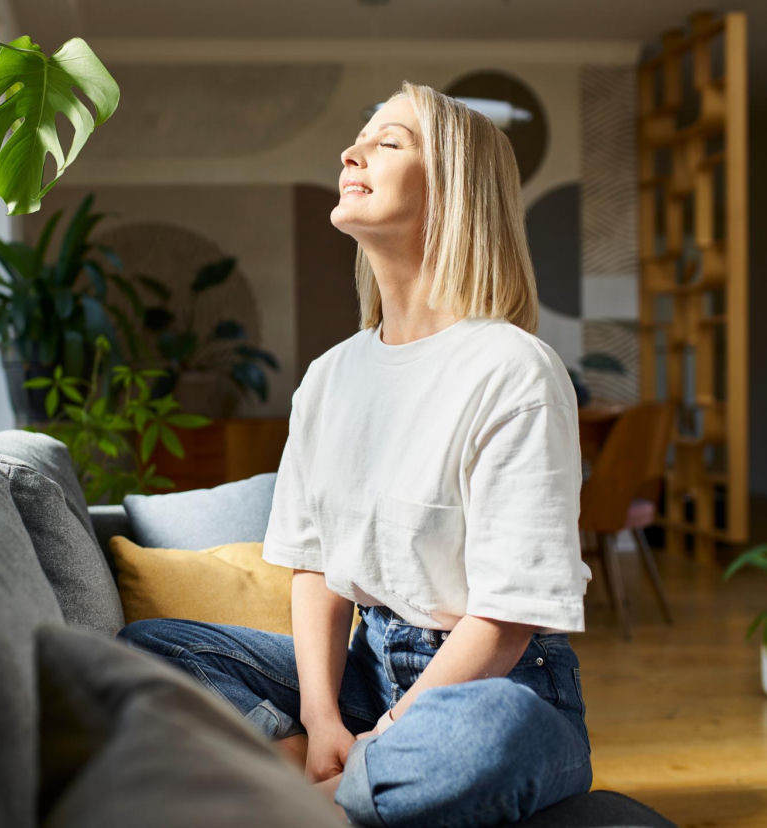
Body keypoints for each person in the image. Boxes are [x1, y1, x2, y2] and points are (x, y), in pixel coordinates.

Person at [119, 81, 593, 827]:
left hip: (496, 682)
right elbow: (317, 568)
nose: (351, 153)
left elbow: (506, 618)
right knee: (147, 647)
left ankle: (296, 802)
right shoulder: (331, 376)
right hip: (364, 671)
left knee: (493, 733)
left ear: (454, 191)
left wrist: (397, 733)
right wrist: (322, 722)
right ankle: (324, 784)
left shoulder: (514, 370)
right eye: (358, 137)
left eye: (388, 141)